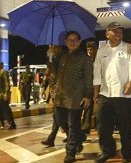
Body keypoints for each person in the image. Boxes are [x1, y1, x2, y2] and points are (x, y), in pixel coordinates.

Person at [93, 22, 131, 163]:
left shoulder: (128, 47)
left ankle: (126, 154)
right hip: (105, 94)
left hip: (124, 94)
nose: (119, 33)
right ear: (107, 34)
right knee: (103, 126)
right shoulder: (101, 51)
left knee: (125, 127)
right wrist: (96, 94)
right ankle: (107, 151)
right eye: (115, 31)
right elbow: (97, 73)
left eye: (120, 31)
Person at [48, 31, 93, 163]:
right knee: (60, 120)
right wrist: (51, 57)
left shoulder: (84, 58)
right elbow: (54, 70)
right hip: (60, 96)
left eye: (75, 40)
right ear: (66, 42)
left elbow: (88, 78)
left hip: (75, 97)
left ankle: (71, 152)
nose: (72, 42)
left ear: (79, 42)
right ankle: (78, 139)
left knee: (73, 125)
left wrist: (87, 95)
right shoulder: (62, 56)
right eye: (69, 40)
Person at [41, 45, 64, 148]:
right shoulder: (54, 60)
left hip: (63, 93)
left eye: (54, 48)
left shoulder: (63, 59)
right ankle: (51, 139)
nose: (51, 50)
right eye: (51, 48)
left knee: (59, 117)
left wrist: (50, 57)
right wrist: (43, 87)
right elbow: (47, 74)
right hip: (55, 93)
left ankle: (77, 137)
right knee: (57, 117)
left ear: (59, 48)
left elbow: (54, 70)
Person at [81, 40, 98, 135]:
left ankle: (100, 126)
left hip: (98, 87)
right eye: (88, 49)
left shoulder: (99, 60)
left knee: (100, 108)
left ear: (96, 50)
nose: (90, 51)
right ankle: (85, 128)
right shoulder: (87, 60)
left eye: (91, 49)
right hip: (89, 88)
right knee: (87, 107)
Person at [0, 62, 16, 130]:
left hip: (3, 94)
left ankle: (12, 124)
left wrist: (6, 93)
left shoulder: (3, 72)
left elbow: (7, 83)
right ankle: (2, 123)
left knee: (6, 109)